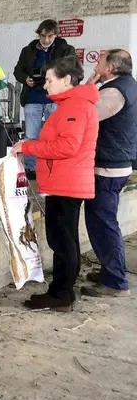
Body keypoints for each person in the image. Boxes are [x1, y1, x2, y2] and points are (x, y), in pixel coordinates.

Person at [12, 56, 98, 312]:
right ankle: (62, 290)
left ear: (66, 80)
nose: (46, 85)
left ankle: (61, 294)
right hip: (65, 181)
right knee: (65, 240)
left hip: (67, 183)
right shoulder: (73, 104)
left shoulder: (75, 107)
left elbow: (67, 146)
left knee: (62, 242)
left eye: (50, 80)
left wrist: (29, 147)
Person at [80, 49, 136, 298]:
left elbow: (85, 115)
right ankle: (110, 271)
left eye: (100, 62)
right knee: (103, 220)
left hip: (108, 167)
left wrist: (88, 87)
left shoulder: (113, 92)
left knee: (103, 223)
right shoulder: (128, 85)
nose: (95, 66)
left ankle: (115, 281)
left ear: (110, 68)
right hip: (116, 163)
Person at [14, 19, 77, 179]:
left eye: (50, 36)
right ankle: (31, 168)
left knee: (56, 136)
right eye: (43, 36)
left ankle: (55, 166)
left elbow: (73, 71)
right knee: (31, 135)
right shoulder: (27, 50)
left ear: (56, 35)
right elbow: (18, 71)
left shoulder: (66, 49)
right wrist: (26, 79)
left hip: (55, 99)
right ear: (38, 34)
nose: (46, 40)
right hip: (33, 97)